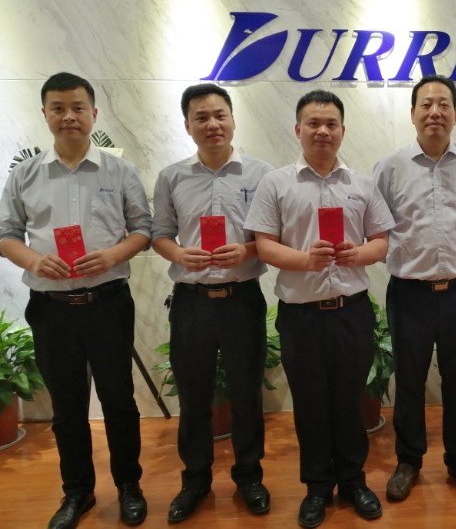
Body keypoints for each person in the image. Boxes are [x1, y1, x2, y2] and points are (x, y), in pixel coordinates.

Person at [0, 72, 151, 528]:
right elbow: (6, 235)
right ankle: (77, 492)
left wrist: (114, 254)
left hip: (108, 303)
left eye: (78, 107)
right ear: (45, 114)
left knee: (119, 400)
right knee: (67, 408)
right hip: (52, 310)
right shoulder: (25, 174)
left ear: (94, 113)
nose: (69, 116)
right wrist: (34, 260)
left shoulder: (119, 171)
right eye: (59, 108)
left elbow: (143, 229)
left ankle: (129, 485)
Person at [244, 90, 394, 528]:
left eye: (331, 124)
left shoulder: (362, 184)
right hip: (301, 316)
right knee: (309, 403)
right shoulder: (276, 183)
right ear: (298, 129)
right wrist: (305, 260)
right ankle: (316, 487)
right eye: (313, 123)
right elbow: (264, 244)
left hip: (351, 311)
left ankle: (353, 481)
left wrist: (358, 254)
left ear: (343, 131)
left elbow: (382, 241)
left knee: (350, 400)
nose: (323, 131)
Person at [151, 84, 274, 522]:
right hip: (192, 301)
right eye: (201, 117)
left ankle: (249, 476)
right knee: (194, 395)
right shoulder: (171, 177)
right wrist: (179, 254)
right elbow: (160, 235)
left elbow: (273, 236)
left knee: (246, 393)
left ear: (233, 119)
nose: (212, 124)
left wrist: (248, 250)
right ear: (187, 126)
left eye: (220, 114)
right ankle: (195, 481)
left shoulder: (261, 175)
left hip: (243, 299)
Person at [373, 75, 456, 501]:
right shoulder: (390, 167)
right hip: (409, 294)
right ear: (412, 114)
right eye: (426, 104)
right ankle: (409, 461)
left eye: (444, 104)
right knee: (409, 380)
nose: (435, 112)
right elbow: (377, 227)